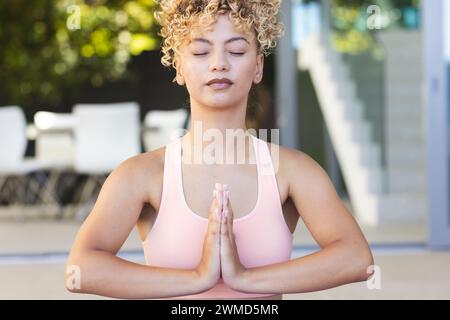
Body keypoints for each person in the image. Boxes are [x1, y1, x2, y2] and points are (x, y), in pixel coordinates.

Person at [65, 0, 374, 300]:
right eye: (200, 51)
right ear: (179, 68)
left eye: (237, 50)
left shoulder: (292, 171)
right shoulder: (141, 175)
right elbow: (81, 269)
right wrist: (199, 277)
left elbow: (357, 259)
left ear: (257, 66)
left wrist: (244, 278)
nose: (219, 63)